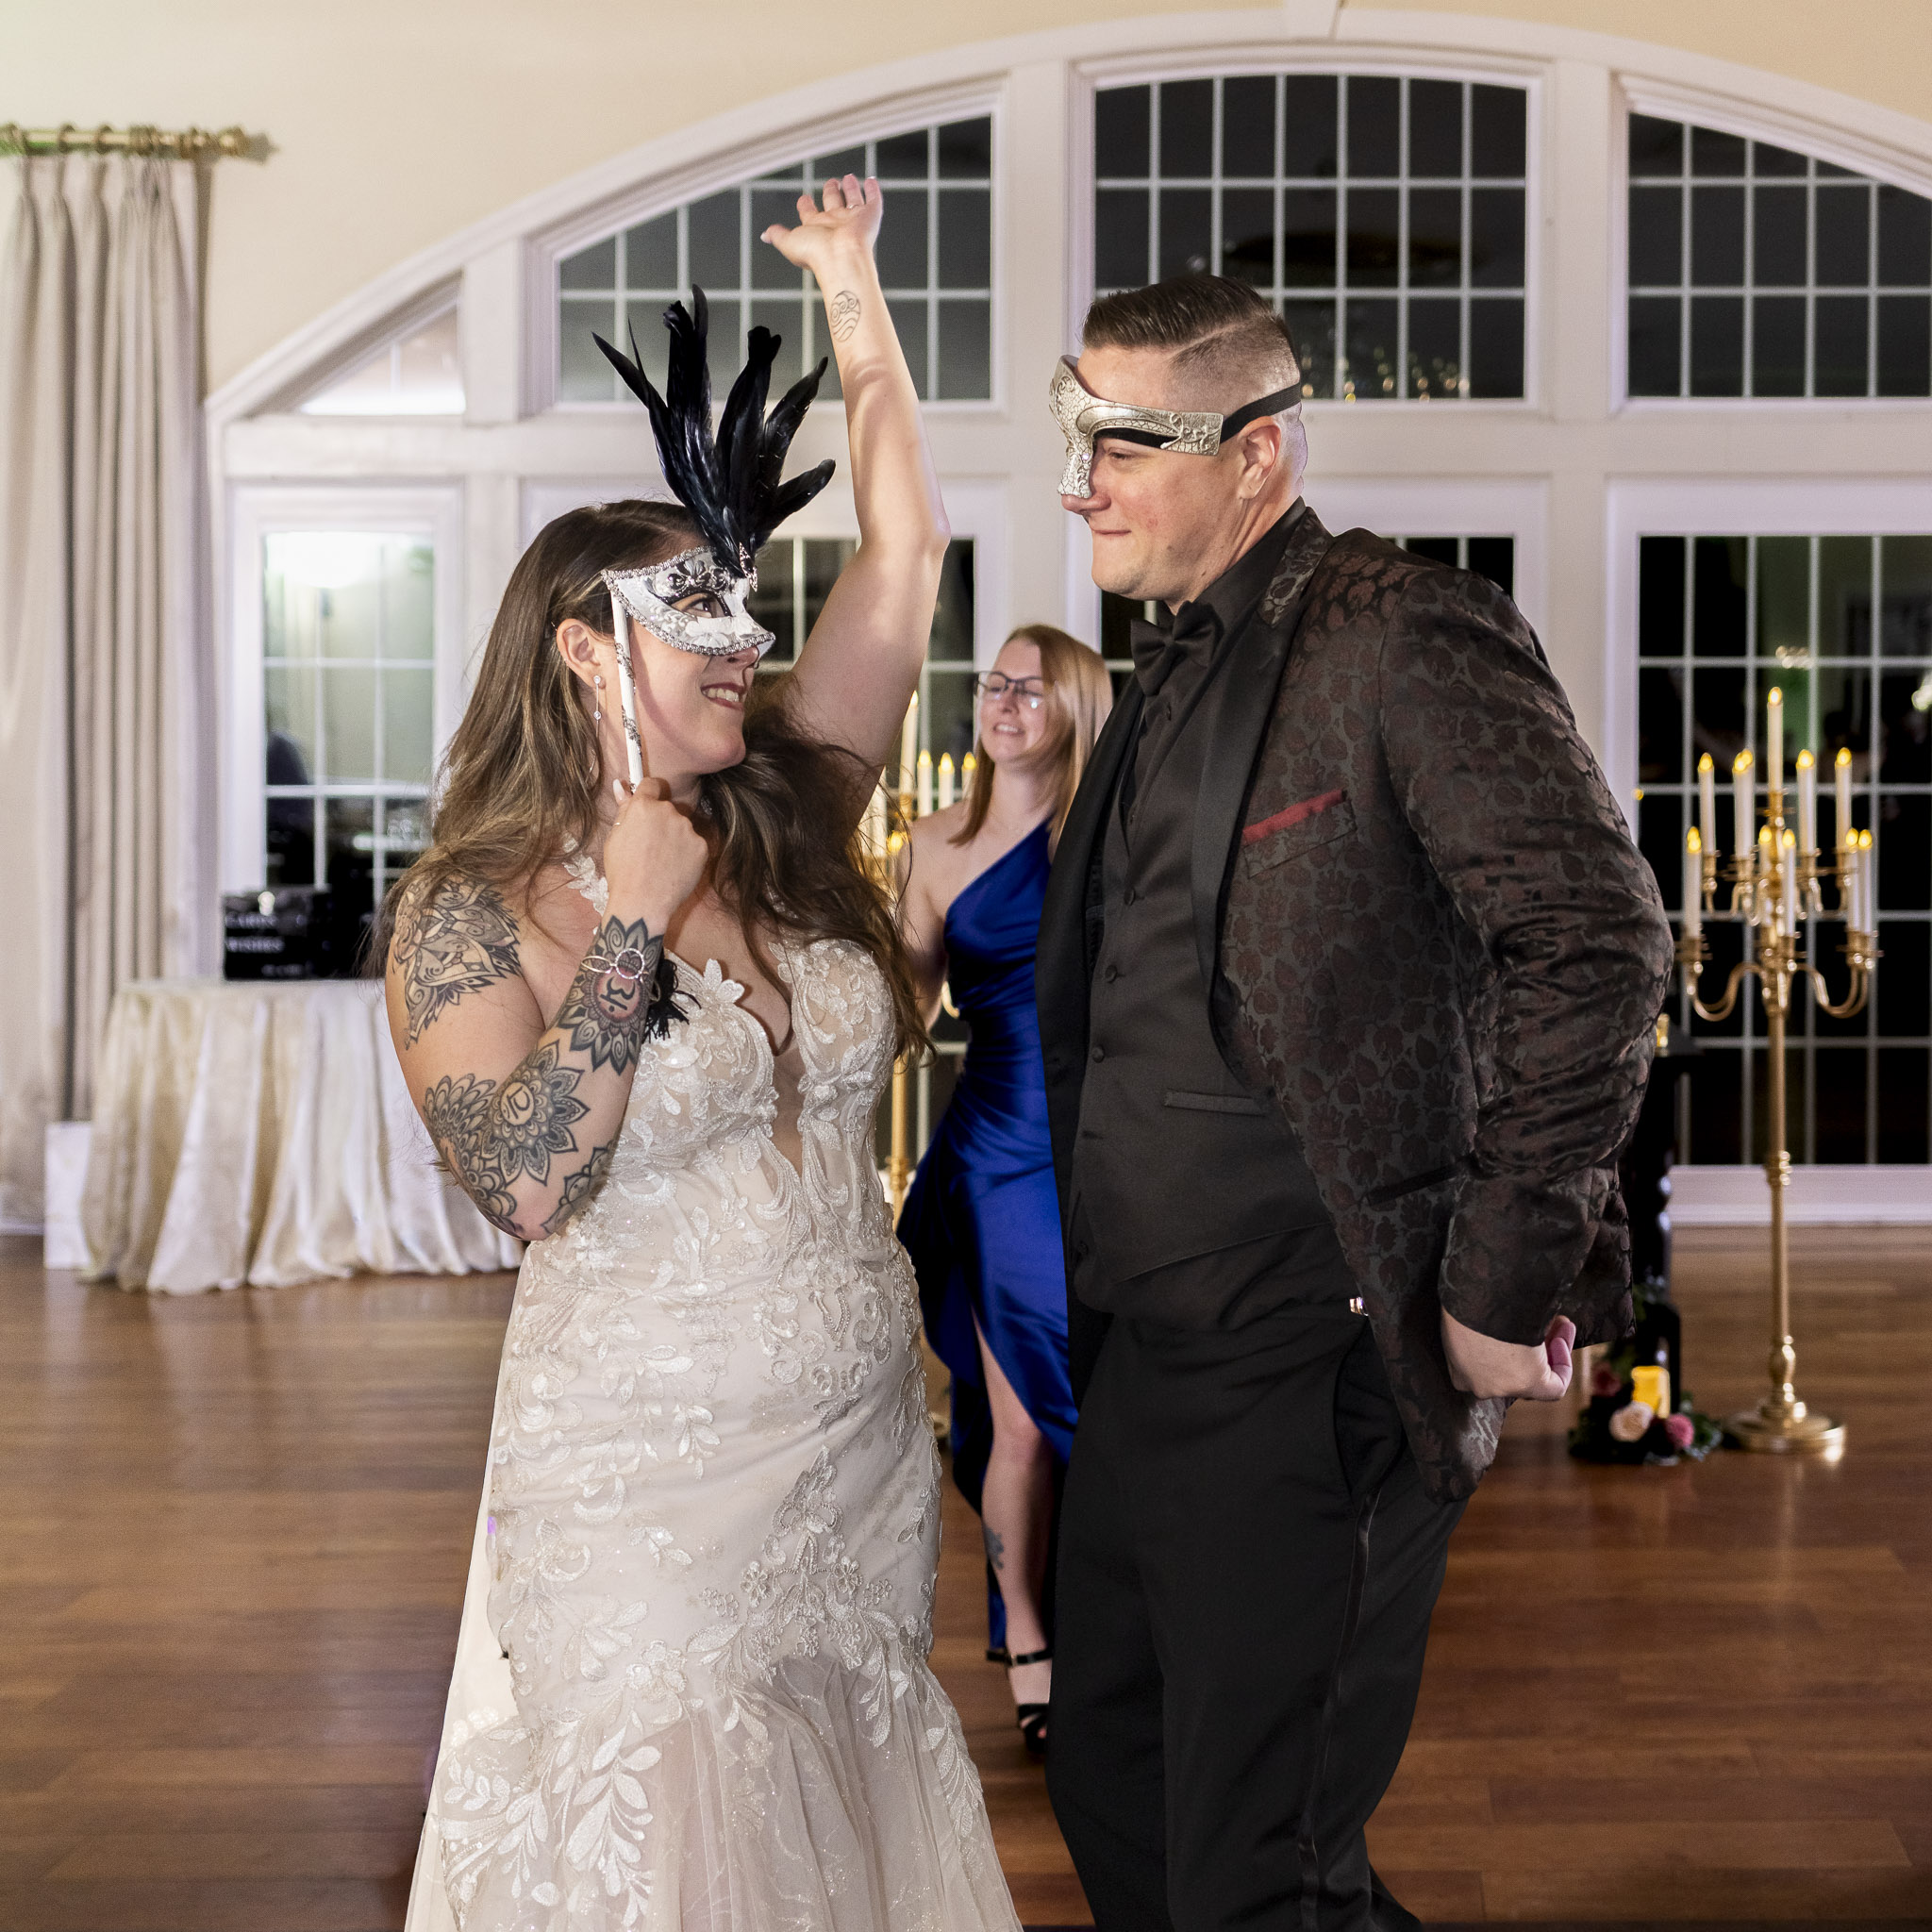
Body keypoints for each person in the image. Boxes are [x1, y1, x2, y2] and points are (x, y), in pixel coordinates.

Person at [387, 175, 1020, 1932]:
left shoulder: (789, 806)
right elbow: (524, 1178)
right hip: (643, 1480)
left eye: (744, 615)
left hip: (853, 1452)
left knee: (841, 1805)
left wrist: (854, 290)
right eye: (700, 621)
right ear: (588, 655)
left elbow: (902, 556)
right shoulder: (467, 907)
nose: (746, 643)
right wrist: (632, 937)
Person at [1034, 274, 1674, 1931]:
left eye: (1120, 441)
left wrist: (1495, 1281)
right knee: (1113, 1785)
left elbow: (1594, 938)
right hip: (1141, 1345)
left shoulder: (1400, 628)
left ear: (1256, 453)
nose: (1075, 481)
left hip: (1312, 1347)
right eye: (1071, 432)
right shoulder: (1158, 669)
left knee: (1261, 1862)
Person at [894, 624, 1112, 1757]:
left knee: (1117, 1400)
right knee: (1025, 1412)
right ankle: (1031, 1639)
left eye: (1031, 689)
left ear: (1075, 707)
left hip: (1109, 1148)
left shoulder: (1110, 836)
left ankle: (1119, 1634)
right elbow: (901, 1012)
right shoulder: (932, 845)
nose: (1004, 703)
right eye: (994, 684)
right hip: (994, 1150)